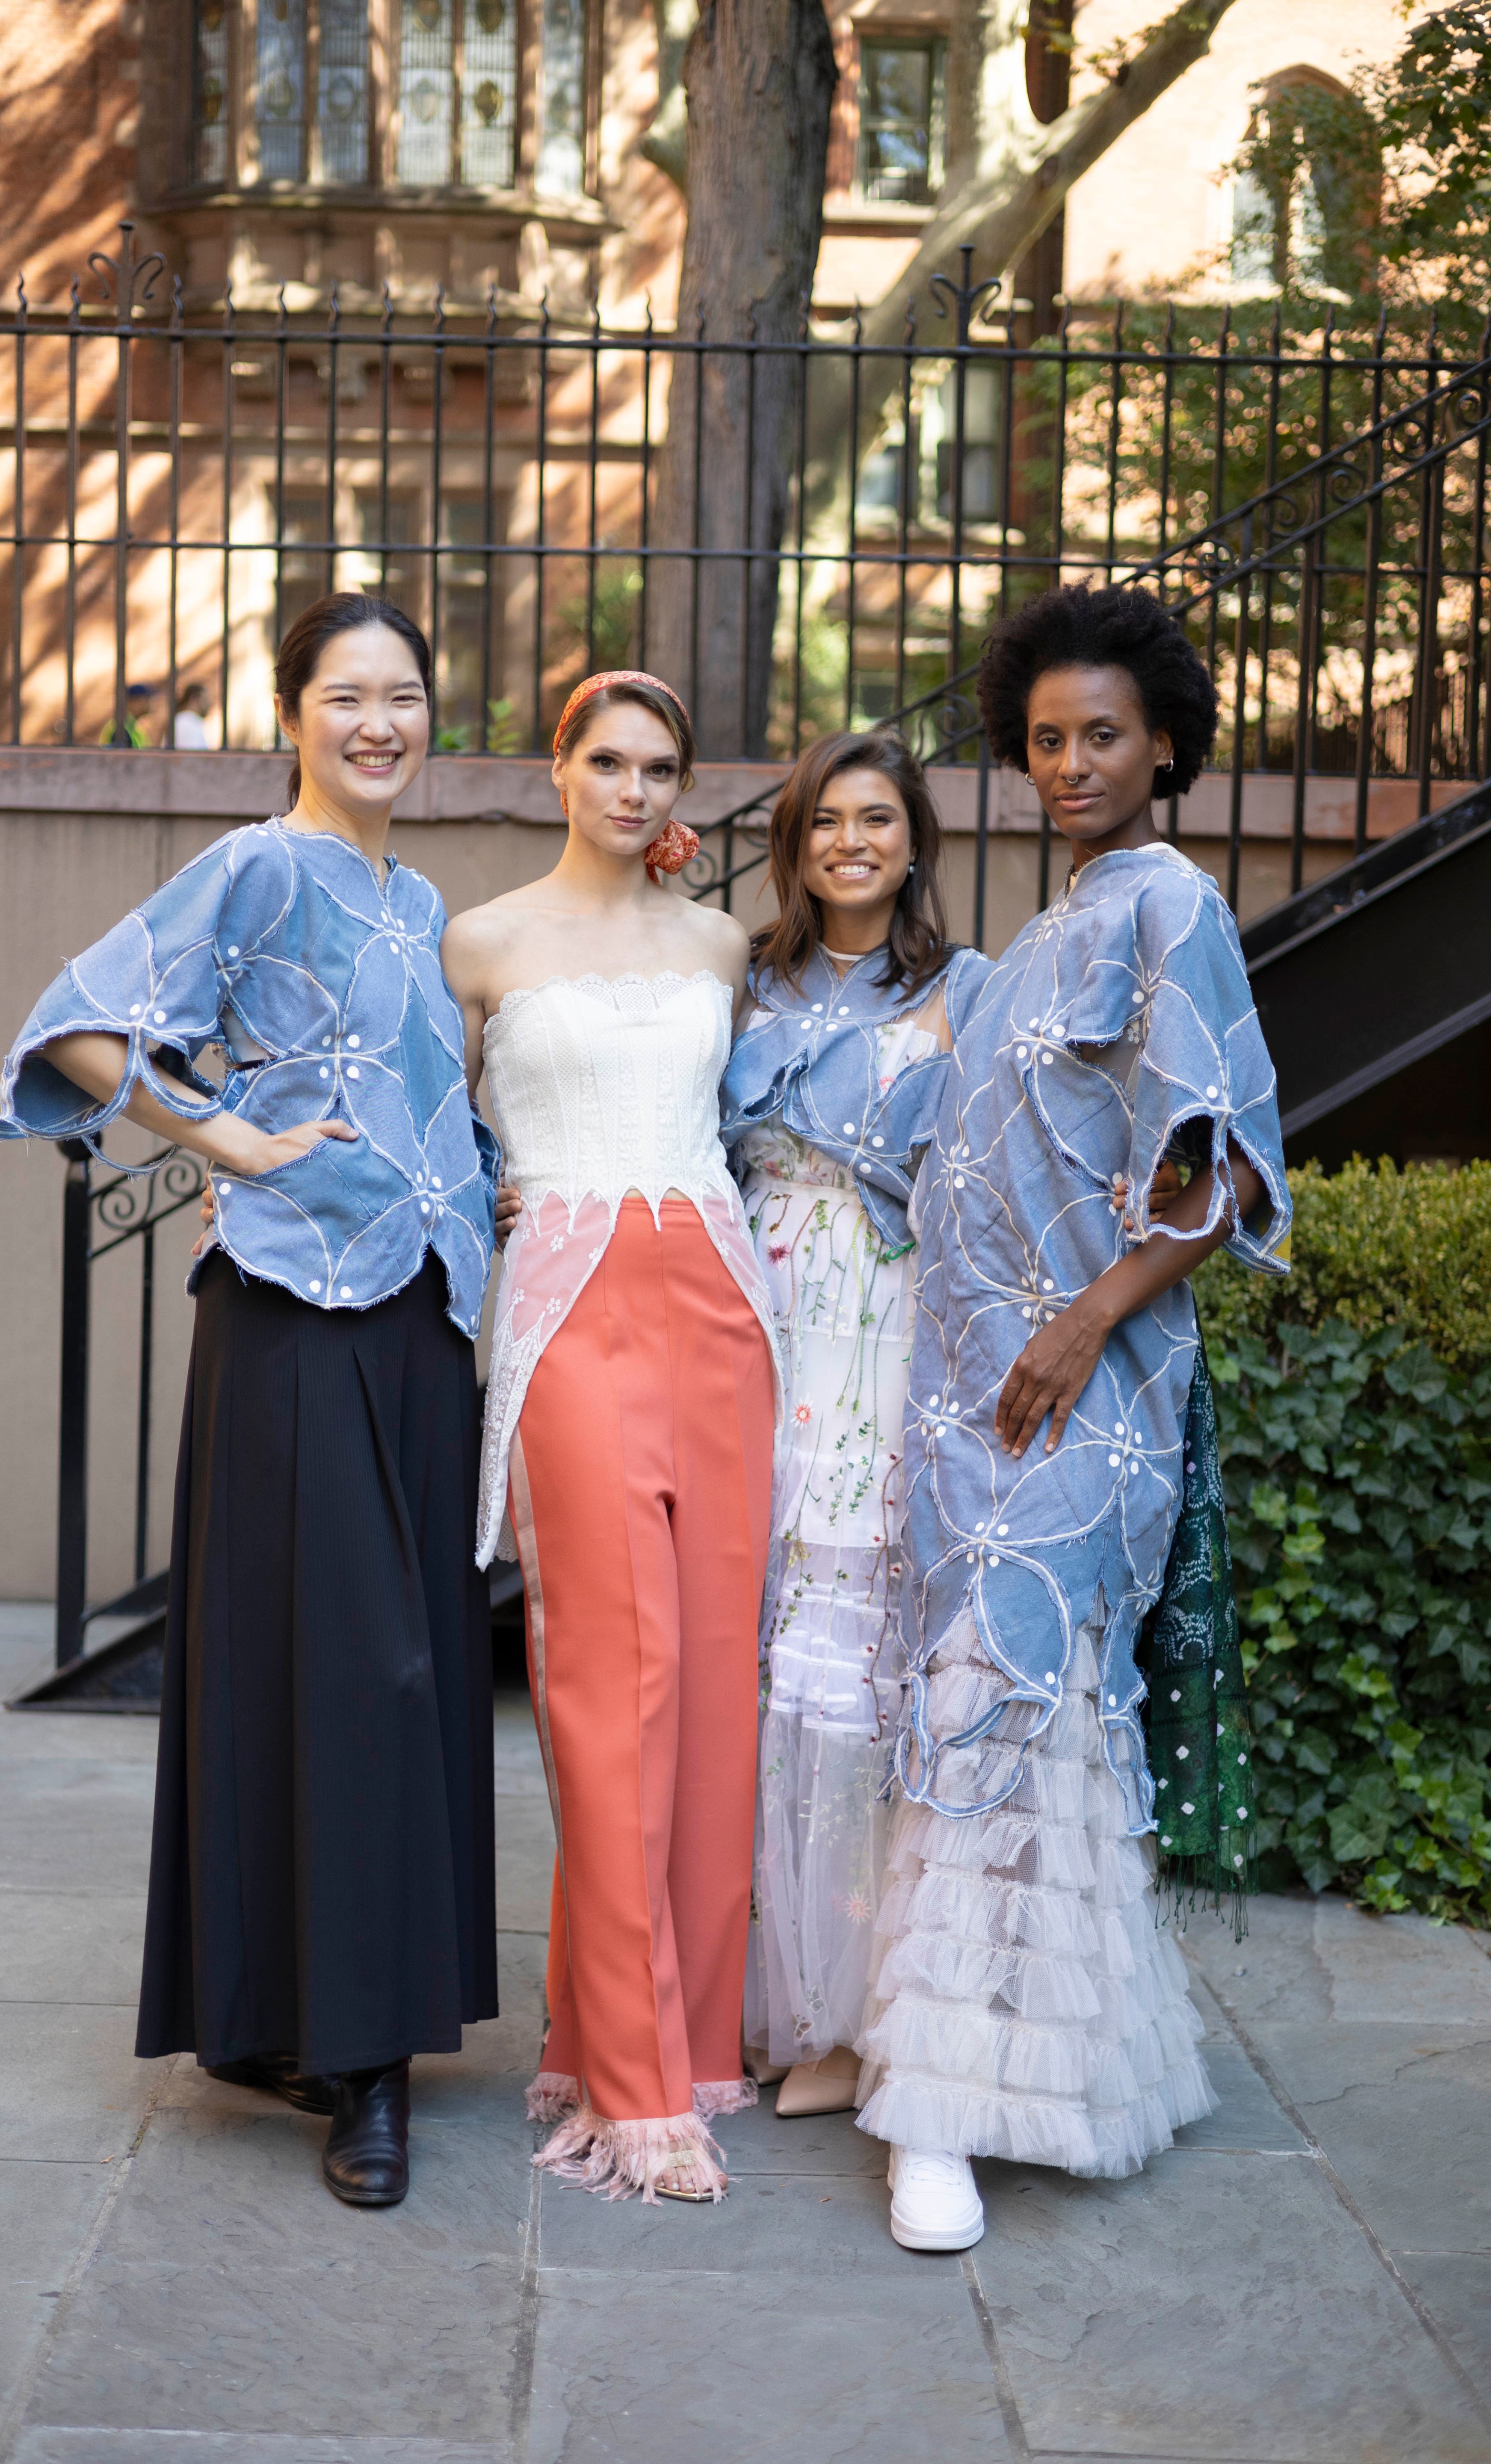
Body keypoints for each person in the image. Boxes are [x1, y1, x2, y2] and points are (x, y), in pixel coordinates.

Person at [0, 592, 505, 2210]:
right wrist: (227, 1144)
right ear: (293, 712)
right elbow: (69, 1026)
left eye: (405, 695)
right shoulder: (259, 865)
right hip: (292, 1320)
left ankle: (300, 2016)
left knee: (405, 1675)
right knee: (361, 1666)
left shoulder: (421, 899)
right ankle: (359, 2068)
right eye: (347, 695)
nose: (379, 722)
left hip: (421, 1325)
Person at [858, 582, 1292, 2255]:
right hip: (972, 1405)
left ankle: (938, 2121)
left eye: (1099, 734)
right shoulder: (1032, 943)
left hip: (1083, 1399)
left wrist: (1081, 1322)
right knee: (1024, 1728)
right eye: (1040, 739)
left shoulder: (1167, 907)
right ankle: (1053, 2070)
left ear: (1162, 744)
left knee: (999, 1702)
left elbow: (1219, 1169)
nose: (1065, 762)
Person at [445, 671, 780, 2204]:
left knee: (715, 1680)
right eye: (607, 760)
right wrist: (484, 1190)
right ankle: (639, 2095)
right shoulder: (483, 939)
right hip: (572, 1305)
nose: (633, 787)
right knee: (605, 1681)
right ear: (556, 767)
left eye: (659, 768)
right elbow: (417, 1124)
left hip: (721, 1301)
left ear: (681, 793)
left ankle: (668, 2038)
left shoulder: (724, 942)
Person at [718, 731, 959, 2119]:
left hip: (883, 1328)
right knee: (753, 1658)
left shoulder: (961, 990)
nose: (849, 842)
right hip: (750, 1315)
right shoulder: (737, 981)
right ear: (794, 845)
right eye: (824, 821)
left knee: (852, 1652)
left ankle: (854, 2011)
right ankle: (766, 1988)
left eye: (875, 819)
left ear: (911, 840)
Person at [173, 681, 212, 748]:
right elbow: (194, 757)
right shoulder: (188, 723)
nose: (209, 705)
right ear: (194, 699)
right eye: (205, 700)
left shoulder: (183, 721)